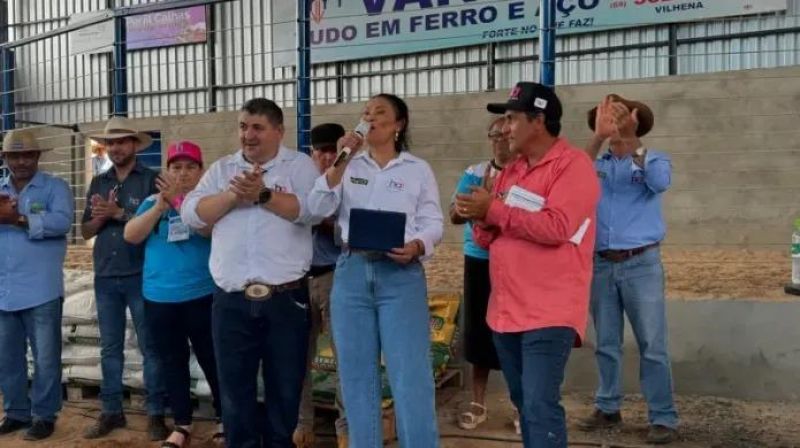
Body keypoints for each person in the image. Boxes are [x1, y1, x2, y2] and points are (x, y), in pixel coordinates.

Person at [456, 82, 599, 448]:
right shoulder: (511, 171)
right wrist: (479, 215)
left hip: (549, 313)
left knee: (538, 404)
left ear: (538, 121)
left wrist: (494, 210)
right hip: (505, 312)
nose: (504, 128)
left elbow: (557, 227)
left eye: (511, 118)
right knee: (524, 402)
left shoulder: (573, 167)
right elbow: (489, 238)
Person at [181, 98, 320, 448]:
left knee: (285, 391)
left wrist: (262, 195)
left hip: (286, 301)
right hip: (231, 302)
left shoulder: (300, 166)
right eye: (243, 127)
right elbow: (192, 214)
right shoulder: (221, 169)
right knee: (234, 394)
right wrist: (232, 196)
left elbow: (314, 210)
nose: (248, 135)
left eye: (257, 127)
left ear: (279, 131)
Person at [307, 93, 443, 447]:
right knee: (356, 377)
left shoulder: (417, 169)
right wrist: (340, 160)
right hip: (352, 273)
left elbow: (433, 221)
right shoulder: (349, 166)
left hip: (401, 276)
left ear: (399, 124)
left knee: (410, 375)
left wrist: (417, 246)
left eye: (380, 112)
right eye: (366, 112)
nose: (370, 117)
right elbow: (317, 205)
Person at [578, 94, 678, 444]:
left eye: (620, 116)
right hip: (602, 263)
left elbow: (659, 183)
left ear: (636, 123)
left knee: (652, 343)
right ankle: (608, 406)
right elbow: (571, 177)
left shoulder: (654, 159)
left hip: (641, 264)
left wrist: (632, 141)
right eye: (606, 117)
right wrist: (600, 137)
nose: (613, 121)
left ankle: (663, 416)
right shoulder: (594, 163)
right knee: (606, 342)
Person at [123, 141, 224, 448]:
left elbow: (207, 230)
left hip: (201, 294)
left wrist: (180, 201)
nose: (182, 173)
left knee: (213, 358)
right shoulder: (152, 202)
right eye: (176, 168)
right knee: (172, 361)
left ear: (201, 171)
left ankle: (224, 418)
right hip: (159, 298)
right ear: (166, 171)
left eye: (189, 167)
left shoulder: (208, 202)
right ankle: (182, 423)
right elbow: (131, 235)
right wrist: (159, 206)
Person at [81, 117, 168, 441]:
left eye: (122, 141)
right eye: (111, 143)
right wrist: (101, 218)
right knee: (110, 348)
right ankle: (111, 411)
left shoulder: (151, 180)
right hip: (105, 274)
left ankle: (156, 412)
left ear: (134, 144)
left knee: (151, 347)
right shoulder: (99, 182)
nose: (116, 147)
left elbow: (160, 225)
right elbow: (85, 229)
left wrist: (121, 214)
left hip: (141, 274)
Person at [0, 130, 73, 441]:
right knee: (8, 356)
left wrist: (17, 219)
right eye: (14, 155)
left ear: (38, 157)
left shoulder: (55, 187)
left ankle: (44, 415)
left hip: (41, 289)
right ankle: (16, 411)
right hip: (4, 288)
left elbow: (62, 222)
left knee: (45, 358)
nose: (21, 161)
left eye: (27, 154)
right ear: (4, 159)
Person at [449, 117, 515, 432]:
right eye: (495, 135)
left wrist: (495, 205)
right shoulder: (475, 173)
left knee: (517, 329)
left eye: (506, 134)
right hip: (479, 257)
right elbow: (454, 214)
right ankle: (478, 401)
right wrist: (473, 205)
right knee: (477, 328)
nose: (501, 141)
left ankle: (520, 403)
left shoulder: (527, 172)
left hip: (517, 259)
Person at [293, 123, 348, 448]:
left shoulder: (351, 185)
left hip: (334, 275)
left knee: (345, 357)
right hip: (299, 280)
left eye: (332, 150)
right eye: (320, 151)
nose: (326, 157)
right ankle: (303, 425)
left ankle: (344, 428)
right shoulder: (300, 186)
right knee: (299, 357)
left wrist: (321, 218)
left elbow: (351, 236)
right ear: (311, 154)